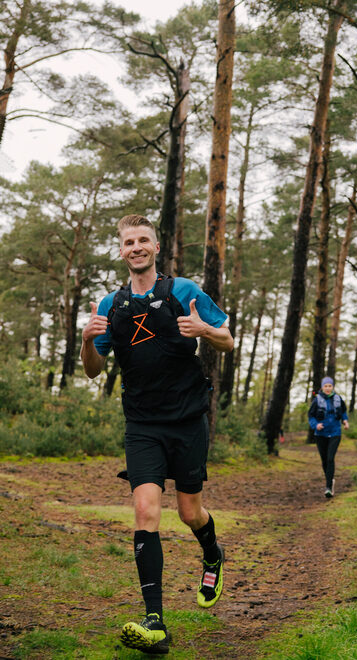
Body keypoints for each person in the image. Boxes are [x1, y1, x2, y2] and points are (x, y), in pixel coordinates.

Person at [80, 214, 233, 655]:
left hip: (187, 421)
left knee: (189, 514)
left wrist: (205, 330)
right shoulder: (111, 304)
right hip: (142, 424)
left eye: (143, 240)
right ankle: (155, 623)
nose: (136, 247)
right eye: (128, 242)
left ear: (156, 247)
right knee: (146, 510)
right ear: (121, 251)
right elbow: (94, 371)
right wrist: (88, 340)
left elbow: (227, 338)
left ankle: (211, 553)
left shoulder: (184, 291)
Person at [308, 376, 349, 499]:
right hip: (321, 434)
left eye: (330, 386)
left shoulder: (338, 398)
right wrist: (316, 425)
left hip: (335, 432)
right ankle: (330, 479)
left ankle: (328, 487)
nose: (328, 388)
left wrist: (345, 421)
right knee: (324, 460)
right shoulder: (317, 400)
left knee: (330, 458)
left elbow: (343, 412)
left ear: (333, 387)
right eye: (325, 386)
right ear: (322, 387)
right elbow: (311, 416)